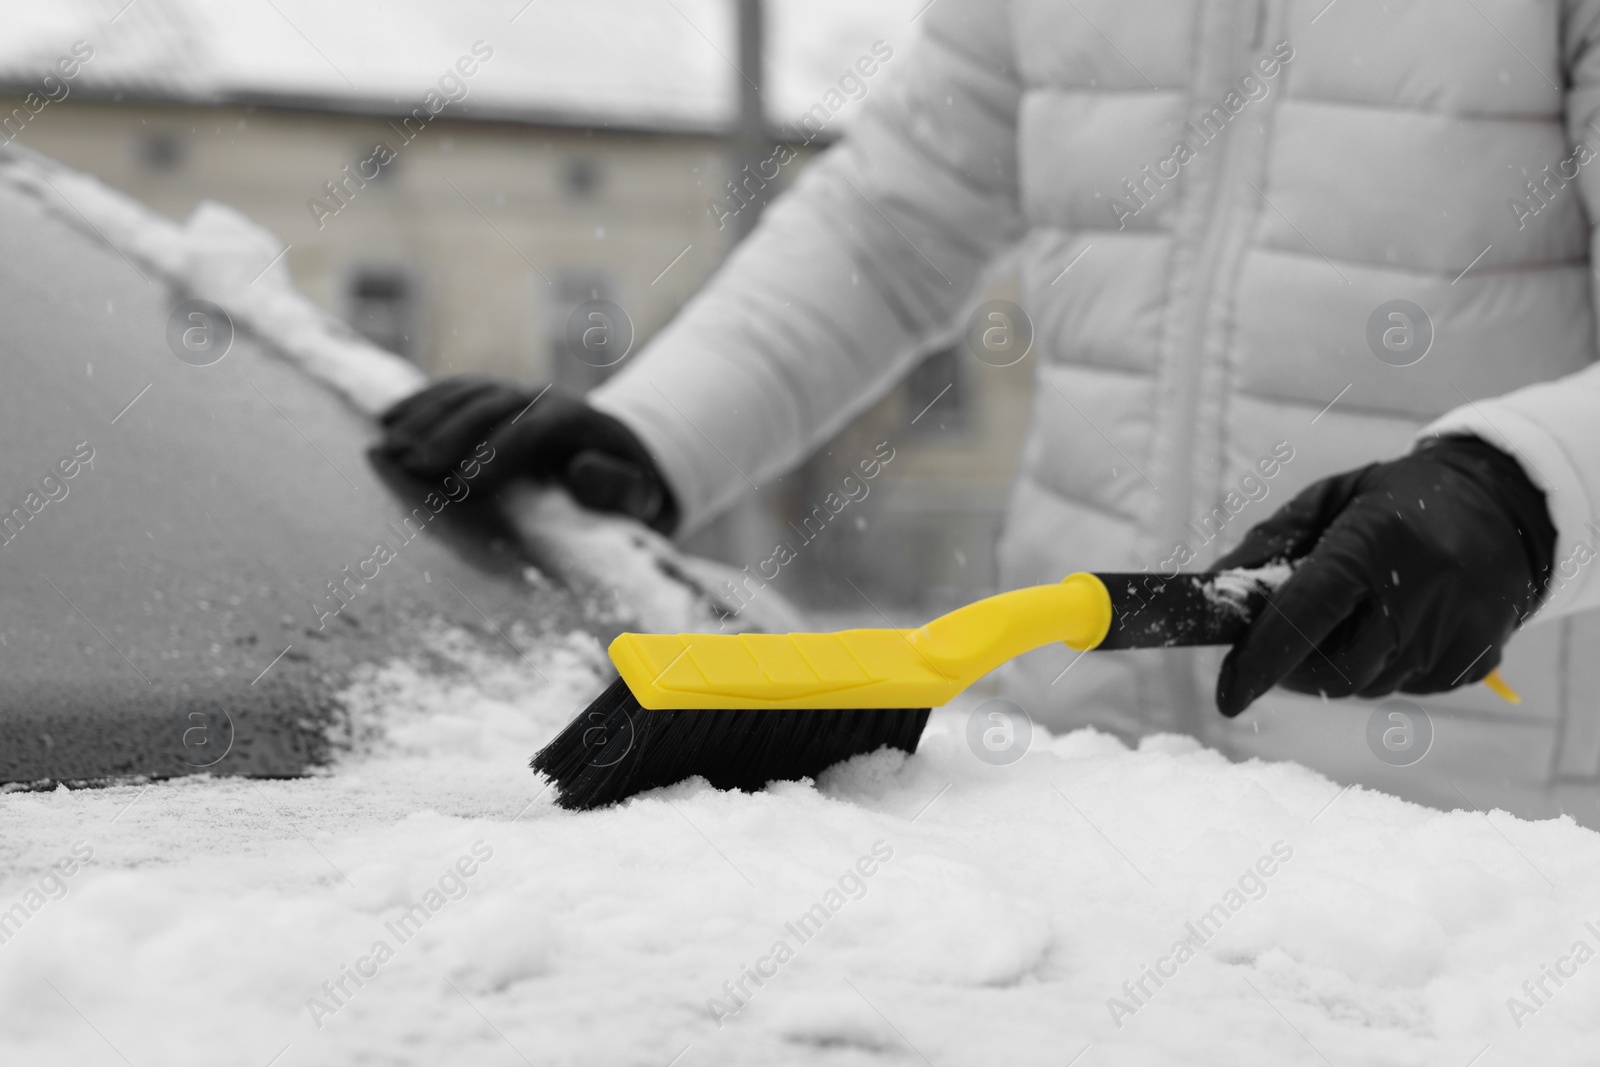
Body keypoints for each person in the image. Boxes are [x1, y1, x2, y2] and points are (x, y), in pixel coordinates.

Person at [381, 1, 1600, 813]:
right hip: (1074, 781)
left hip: (1475, 822)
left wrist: (1528, 490)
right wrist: (649, 433)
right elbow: (895, 220)